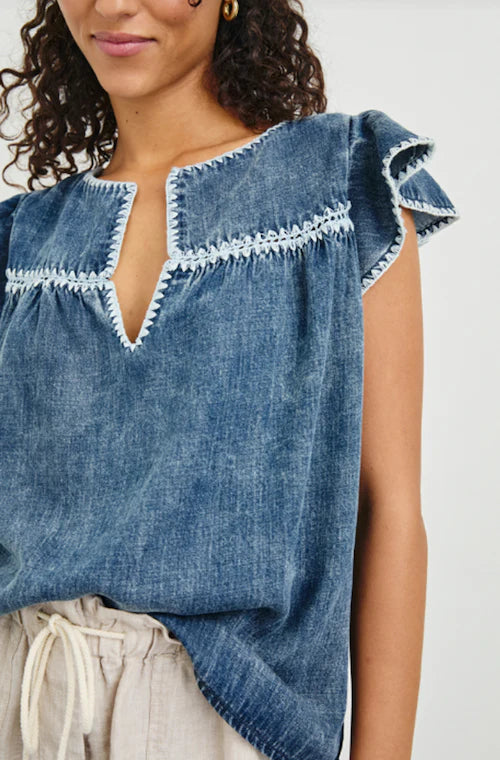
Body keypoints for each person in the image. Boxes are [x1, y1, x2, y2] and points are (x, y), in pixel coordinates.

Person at [0, 1, 460, 759]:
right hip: (23, 704)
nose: (113, 6)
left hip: (231, 721)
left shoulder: (339, 186)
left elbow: (390, 511)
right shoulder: (22, 237)